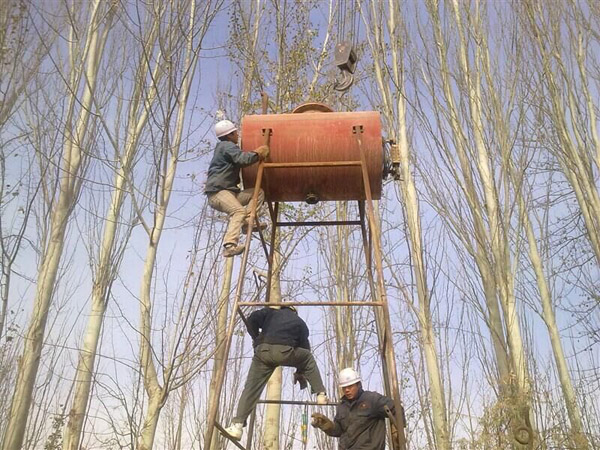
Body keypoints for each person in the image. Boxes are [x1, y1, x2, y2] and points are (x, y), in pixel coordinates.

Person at [224, 305, 328, 440]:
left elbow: (252, 319)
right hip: (284, 352)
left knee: (251, 388)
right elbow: (304, 349)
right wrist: (299, 372)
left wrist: (257, 338)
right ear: (294, 311)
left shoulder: (270, 313)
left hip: (263, 352)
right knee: (308, 358)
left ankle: (237, 426)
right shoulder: (299, 322)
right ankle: (321, 394)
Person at [205, 119, 270, 257]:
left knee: (257, 192)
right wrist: (258, 153)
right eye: (235, 132)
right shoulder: (227, 146)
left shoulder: (224, 146)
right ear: (229, 135)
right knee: (238, 211)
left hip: (230, 192)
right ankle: (229, 245)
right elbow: (243, 159)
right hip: (218, 192)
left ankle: (247, 223)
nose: (237, 134)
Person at [311, 367, 396, 450]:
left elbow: (396, 409)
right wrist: (327, 425)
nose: (347, 390)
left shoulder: (372, 400)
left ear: (358, 384)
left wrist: (397, 434)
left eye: (350, 386)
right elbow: (339, 431)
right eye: (344, 387)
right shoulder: (342, 406)